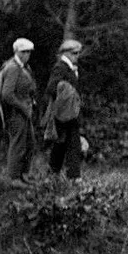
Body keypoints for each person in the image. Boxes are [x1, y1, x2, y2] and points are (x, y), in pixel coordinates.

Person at [0, 37, 38, 184]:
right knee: (18, 143)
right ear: (17, 52)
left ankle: (24, 174)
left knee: (30, 142)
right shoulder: (12, 68)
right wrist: (22, 107)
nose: (27, 55)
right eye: (24, 52)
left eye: (29, 52)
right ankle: (14, 177)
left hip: (25, 109)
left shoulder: (25, 68)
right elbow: (7, 94)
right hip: (15, 112)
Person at [41, 39, 85, 180]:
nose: (77, 55)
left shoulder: (70, 67)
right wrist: (67, 93)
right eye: (74, 53)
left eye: (78, 53)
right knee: (73, 145)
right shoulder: (60, 67)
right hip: (63, 113)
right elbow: (52, 88)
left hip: (68, 112)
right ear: (65, 53)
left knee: (61, 144)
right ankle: (73, 177)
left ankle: (52, 174)